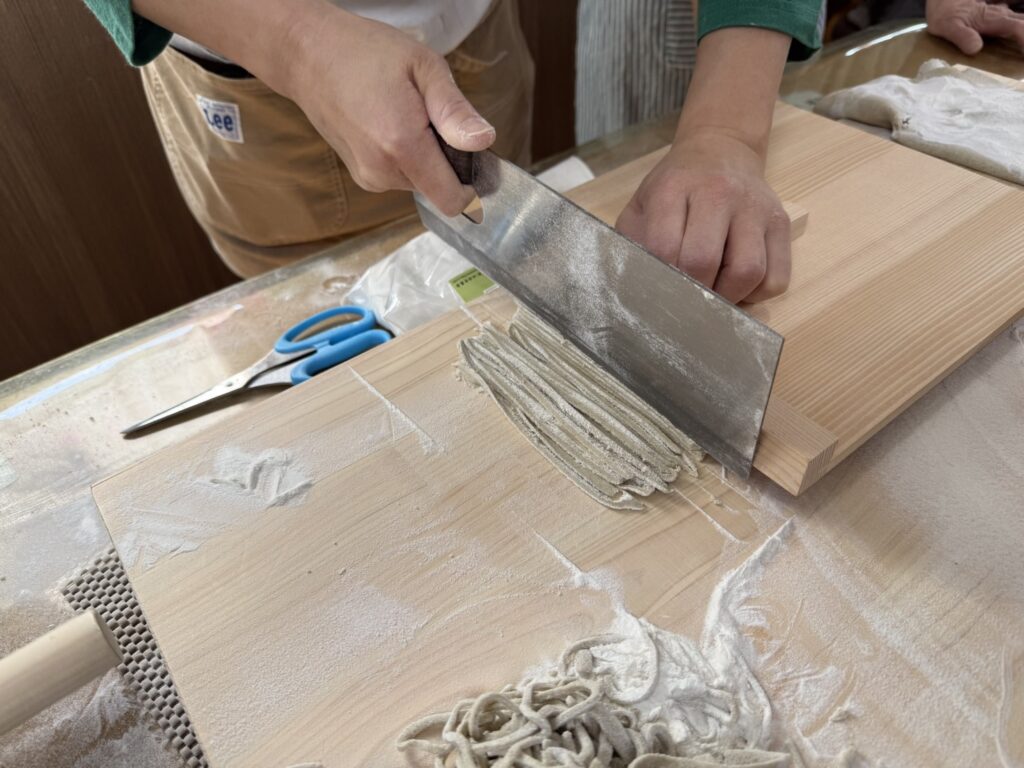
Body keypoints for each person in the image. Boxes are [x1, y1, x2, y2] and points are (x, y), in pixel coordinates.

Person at [82, 0, 824, 304]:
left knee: (489, 288)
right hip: (257, 73)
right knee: (349, 351)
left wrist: (725, 133)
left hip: (476, 34)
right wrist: (297, 44)